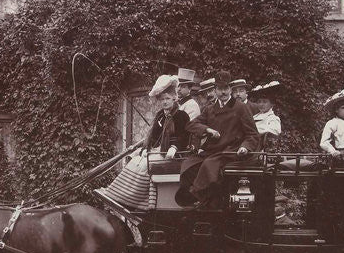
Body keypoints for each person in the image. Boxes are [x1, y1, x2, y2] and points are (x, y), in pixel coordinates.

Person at [95, 75, 189, 212]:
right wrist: (146, 148)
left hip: (173, 155)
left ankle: (135, 200)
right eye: (162, 99)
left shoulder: (181, 116)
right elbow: (153, 135)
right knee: (136, 161)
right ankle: (119, 194)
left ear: (174, 98)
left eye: (167, 99)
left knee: (145, 164)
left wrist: (175, 147)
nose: (165, 102)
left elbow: (184, 136)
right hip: (159, 151)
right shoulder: (160, 116)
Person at [179, 71, 259, 208]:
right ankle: (205, 198)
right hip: (213, 150)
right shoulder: (209, 109)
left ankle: (204, 198)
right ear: (215, 90)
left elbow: (252, 134)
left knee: (209, 165)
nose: (223, 92)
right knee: (188, 164)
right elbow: (190, 125)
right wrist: (207, 129)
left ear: (230, 89)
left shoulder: (240, 108)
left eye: (226, 88)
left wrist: (245, 147)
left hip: (231, 151)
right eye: (220, 89)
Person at [249, 81, 282, 150]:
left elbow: (274, 132)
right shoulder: (254, 117)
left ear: (272, 104)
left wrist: (254, 132)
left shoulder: (273, 118)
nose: (261, 104)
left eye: (265, 102)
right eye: (259, 102)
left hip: (259, 151)